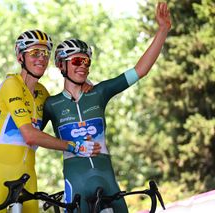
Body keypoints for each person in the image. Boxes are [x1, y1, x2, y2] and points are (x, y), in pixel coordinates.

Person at [42, 3, 171, 213]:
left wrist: (162, 30)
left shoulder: (99, 93)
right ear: (60, 65)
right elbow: (29, 136)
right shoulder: (51, 104)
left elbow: (139, 71)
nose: (83, 65)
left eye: (86, 61)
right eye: (76, 60)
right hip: (77, 184)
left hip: (107, 178)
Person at [0, 29, 101, 213]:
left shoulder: (43, 93)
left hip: (28, 172)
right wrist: (74, 146)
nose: (41, 58)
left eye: (45, 53)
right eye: (35, 53)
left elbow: (62, 112)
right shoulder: (12, 84)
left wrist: (85, 84)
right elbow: (29, 135)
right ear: (20, 57)